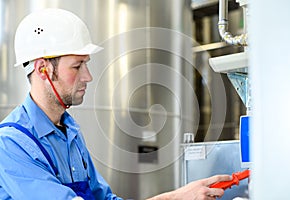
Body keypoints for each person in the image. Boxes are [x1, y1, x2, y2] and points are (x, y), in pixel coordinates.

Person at [0, 8, 231, 200]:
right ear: (43, 69)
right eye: (77, 65)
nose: (88, 76)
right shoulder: (11, 144)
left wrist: (180, 196)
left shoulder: (69, 132)